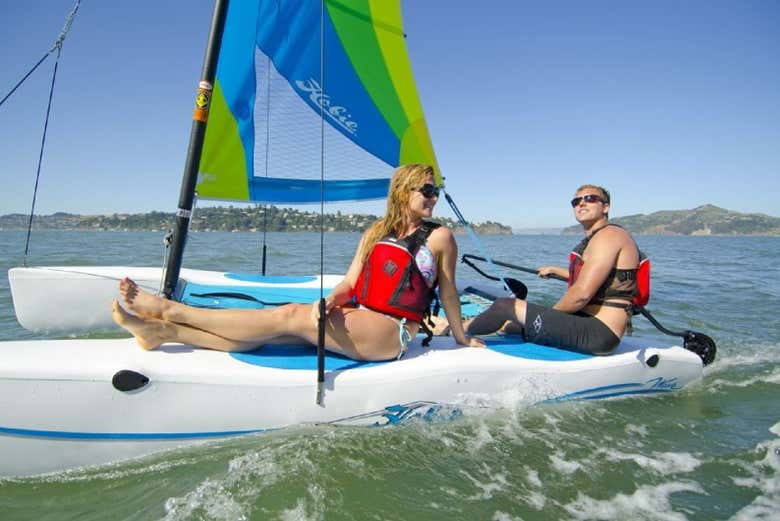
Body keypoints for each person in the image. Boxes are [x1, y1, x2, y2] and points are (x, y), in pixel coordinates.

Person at [112, 164, 485, 361]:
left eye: (435, 192)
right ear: (404, 192)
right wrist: (332, 300)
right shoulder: (376, 231)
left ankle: (172, 311)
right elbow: (350, 282)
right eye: (428, 190)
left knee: (289, 315)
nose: (434, 198)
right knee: (274, 333)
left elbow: (448, 291)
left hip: (393, 332)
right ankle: (163, 332)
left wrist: (461, 336)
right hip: (360, 315)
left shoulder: (439, 238)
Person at [464, 184, 640, 355]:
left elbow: (581, 295)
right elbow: (603, 277)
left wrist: (548, 317)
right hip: (587, 322)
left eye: (590, 199)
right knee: (511, 325)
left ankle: (453, 331)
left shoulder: (609, 236)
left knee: (504, 305)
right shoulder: (600, 237)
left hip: (599, 332)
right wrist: (557, 271)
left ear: (606, 207)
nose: (582, 203)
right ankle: (463, 326)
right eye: (576, 201)